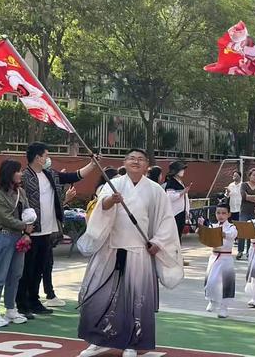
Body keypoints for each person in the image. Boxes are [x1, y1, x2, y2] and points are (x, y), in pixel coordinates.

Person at [77, 148, 183, 357]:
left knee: (136, 298)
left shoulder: (155, 190)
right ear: (124, 162)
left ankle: (132, 343)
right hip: (111, 248)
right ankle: (97, 340)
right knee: (100, 294)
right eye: (132, 158)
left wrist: (158, 242)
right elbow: (100, 208)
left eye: (140, 159)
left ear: (147, 165)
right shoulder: (113, 185)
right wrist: (110, 201)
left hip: (138, 251)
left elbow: (166, 220)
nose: (136, 162)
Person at [16, 142, 98, 319]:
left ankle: (34, 300)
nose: (48, 158)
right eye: (46, 155)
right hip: (31, 231)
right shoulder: (23, 177)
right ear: (37, 157)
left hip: (48, 230)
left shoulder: (49, 174)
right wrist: (23, 228)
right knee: (26, 270)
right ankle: (21, 304)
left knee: (39, 268)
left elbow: (72, 176)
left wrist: (92, 164)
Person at [0, 160, 35, 327]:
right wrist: (25, 227)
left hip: (20, 237)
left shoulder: (21, 192)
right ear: (9, 173)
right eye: (18, 171)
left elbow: (27, 211)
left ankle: (11, 309)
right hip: (3, 237)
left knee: (15, 274)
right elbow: (4, 218)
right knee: (0, 276)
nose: (21, 174)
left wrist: (27, 232)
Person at [198, 202, 237, 318]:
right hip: (214, 256)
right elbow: (206, 236)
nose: (221, 215)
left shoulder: (231, 227)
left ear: (229, 214)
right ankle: (213, 301)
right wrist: (201, 229)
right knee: (211, 282)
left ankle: (224, 308)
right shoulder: (213, 226)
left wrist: (220, 233)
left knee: (226, 283)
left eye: (224, 213)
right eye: (218, 213)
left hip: (226, 258)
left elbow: (231, 235)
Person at [237, 168, 255, 260]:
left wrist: (250, 197)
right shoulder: (244, 185)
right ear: (249, 176)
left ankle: (249, 251)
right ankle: (240, 251)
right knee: (242, 230)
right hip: (244, 210)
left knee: (251, 231)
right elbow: (244, 197)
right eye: (253, 175)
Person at [164, 161, 191, 242]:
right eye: (181, 169)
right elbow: (170, 197)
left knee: (178, 235)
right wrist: (183, 192)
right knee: (174, 236)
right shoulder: (171, 182)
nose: (183, 171)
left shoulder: (180, 182)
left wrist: (187, 211)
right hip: (175, 213)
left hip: (181, 212)